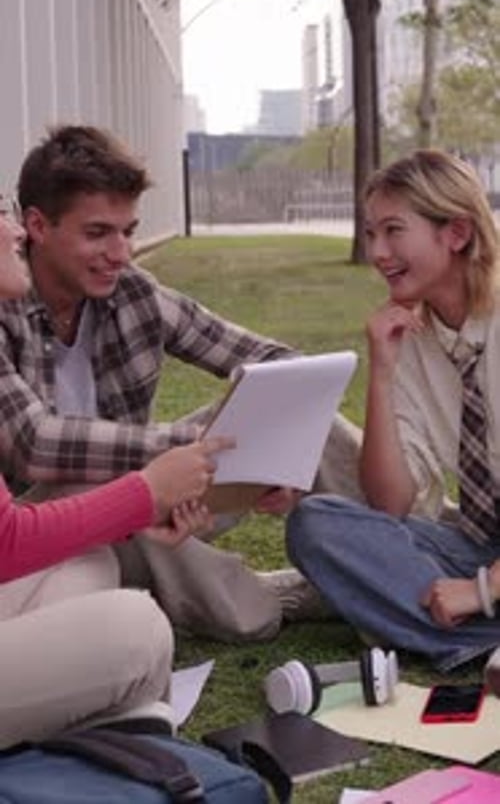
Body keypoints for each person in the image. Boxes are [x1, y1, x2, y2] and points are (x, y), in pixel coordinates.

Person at [0, 125, 362, 644]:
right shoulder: (4, 301)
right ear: (37, 226)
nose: (121, 252)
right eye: (98, 233)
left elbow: (266, 359)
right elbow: (33, 444)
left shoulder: (132, 292)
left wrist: (285, 443)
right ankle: (269, 597)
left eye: (128, 230)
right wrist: (182, 457)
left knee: (312, 418)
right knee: (99, 484)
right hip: (58, 531)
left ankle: (424, 546)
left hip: (155, 490)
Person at [0, 195, 235, 747]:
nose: (13, 231)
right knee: (138, 627)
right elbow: (9, 538)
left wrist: (146, 499)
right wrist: (149, 489)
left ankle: (85, 717)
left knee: (92, 566)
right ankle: (122, 734)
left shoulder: (135, 293)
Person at [287, 149, 500, 682]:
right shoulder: (415, 337)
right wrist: (381, 370)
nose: (377, 251)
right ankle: (481, 636)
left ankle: (459, 625)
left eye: (393, 231)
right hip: (485, 544)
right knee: (316, 524)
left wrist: (481, 591)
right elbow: (392, 502)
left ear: (455, 233)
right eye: (370, 232)